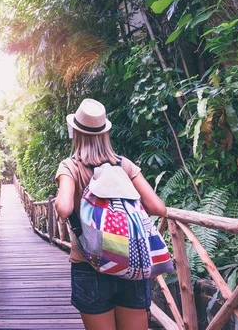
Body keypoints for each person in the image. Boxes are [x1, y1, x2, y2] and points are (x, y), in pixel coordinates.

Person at [54, 98, 167, 330]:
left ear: (75, 133)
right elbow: (159, 208)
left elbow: (64, 208)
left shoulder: (70, 167)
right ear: (105, 133)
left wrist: (60, 197)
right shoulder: (124, 166)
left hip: (89, 264)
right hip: (131, 263)